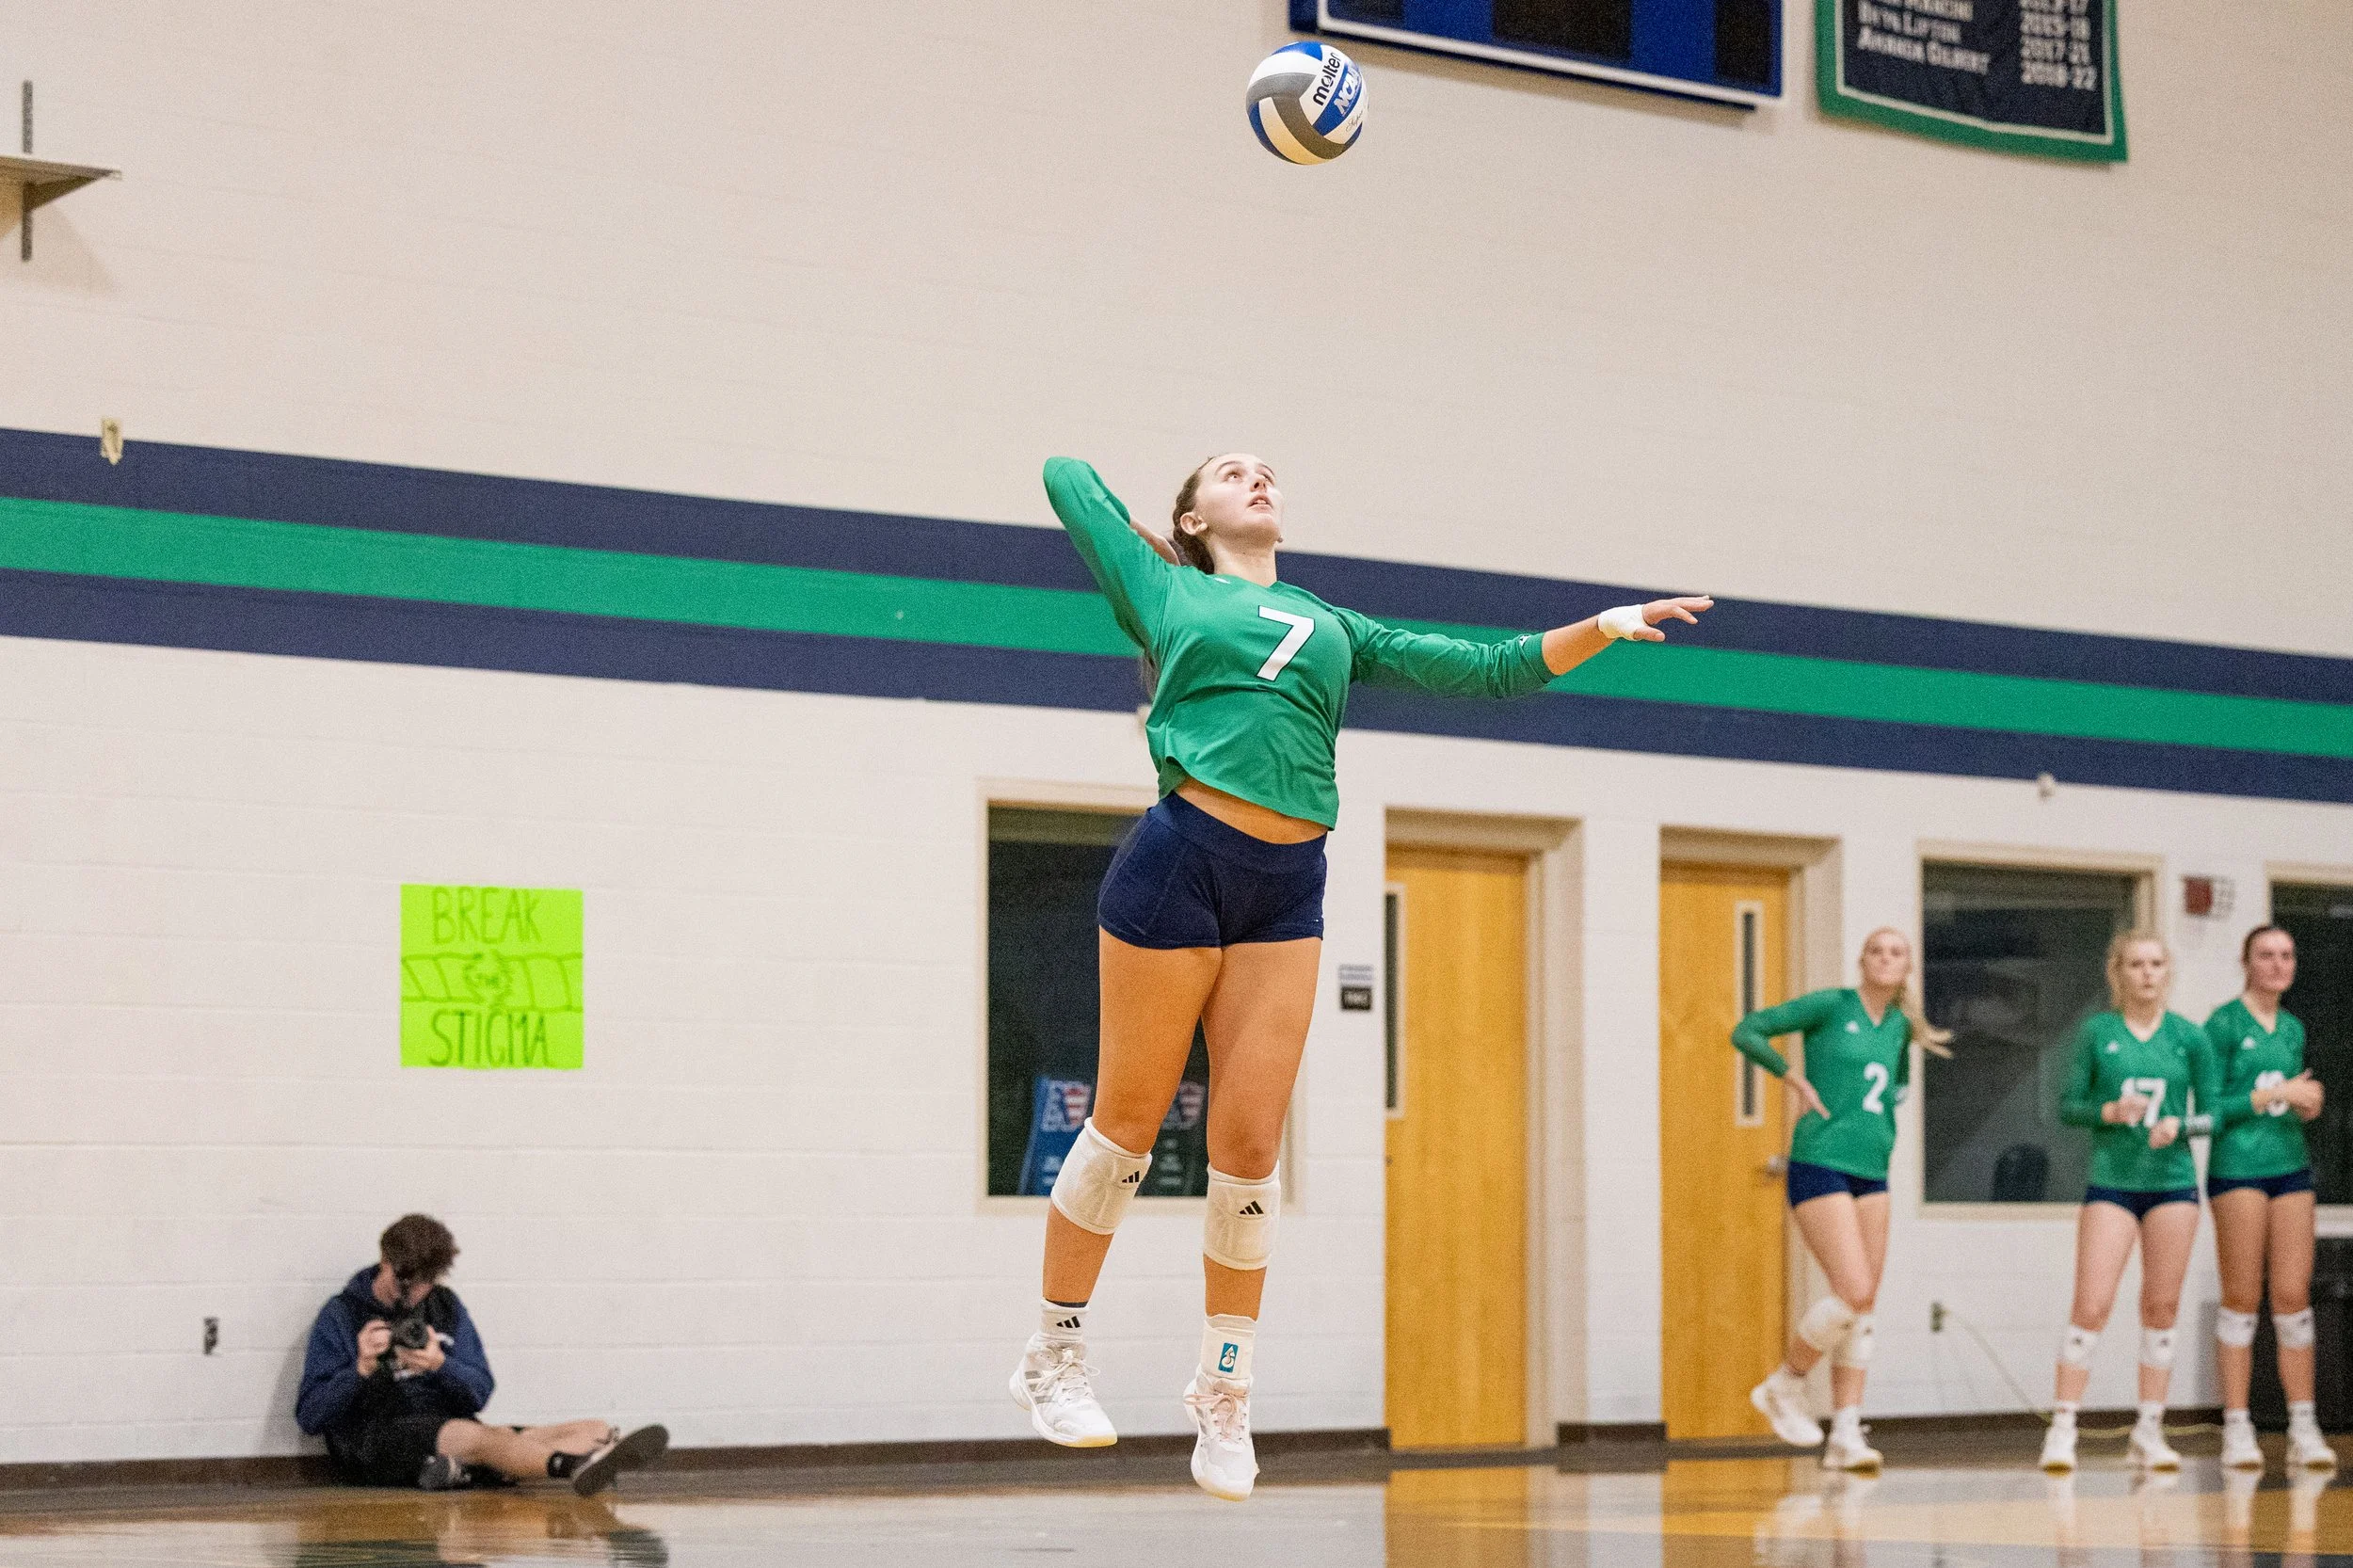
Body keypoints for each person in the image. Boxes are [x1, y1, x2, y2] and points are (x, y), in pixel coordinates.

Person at [1016, 454, 1711, 1500]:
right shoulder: (1167, 589)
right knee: (1126, 1125)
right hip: (1179, 861)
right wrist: (1154, 559)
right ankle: (1054, 1354)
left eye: (1266, 472)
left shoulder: (1330, 620)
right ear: (1194, 513)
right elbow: (1066, 476)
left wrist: (1603, 625)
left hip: (1286, 881)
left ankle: (1223, 1387)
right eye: (1229, 473)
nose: (1257, 479)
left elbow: (1487, 667)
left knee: (1250, 1150)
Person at [1740, 928, 1950, 1472]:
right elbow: (1749, 1030)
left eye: (1897, 952)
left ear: (1907, 967)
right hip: (1820, 1160)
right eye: (1877, 950)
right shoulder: (1830, 1006)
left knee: (1863, 1304)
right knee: (1852, 1290)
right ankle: (1784, 1384)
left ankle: (1847, 1435)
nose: (1886, 958)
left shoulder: (1902, 1027)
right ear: (1862, 960)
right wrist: (1793, 1080)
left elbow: (1896, 1088)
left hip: (1873, 1171)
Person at [296, 1214, 669, 1494]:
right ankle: (571, 1466)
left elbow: (481, 1390)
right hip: (378, 1439)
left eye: (424, 1284)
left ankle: (466, 1470)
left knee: (594, 1429)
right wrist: (360, 1368)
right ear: (385, 1261)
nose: (412, 1294)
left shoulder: (445, 1306)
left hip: (451, 1428)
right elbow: (310, 1416)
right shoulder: (341, 1314)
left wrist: (441, 1365)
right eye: (404, 1281)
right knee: (480, 1438)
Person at [2038, 932, 2219, 1473]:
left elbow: (2214, 1113)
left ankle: (2149, 1428)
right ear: (2118, 972)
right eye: (2136, 964)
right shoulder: (2098, 1031)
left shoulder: (2190, 1037)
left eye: (2156, 964)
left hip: (2174, 1183)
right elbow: (2067, 1106)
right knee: (2091, 1304)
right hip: (2112, 1182)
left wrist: (2181, 1124)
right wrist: (2109, 1112)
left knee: (2161, 1307)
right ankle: (2064, 1428)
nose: (2147, 973)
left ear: (2168, 972)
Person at [2208, 923, 2335, 1471]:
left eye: (2287, 954)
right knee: (2242, 1297)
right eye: (2267, 955)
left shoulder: (2292, 1027)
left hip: (2290, 1168)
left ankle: (2303, 1424)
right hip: (2238, 1168)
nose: (2279, 964)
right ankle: (2237, 1427)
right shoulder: (2223, 1024)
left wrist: (2307, 1101)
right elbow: (2211, 1107)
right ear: (2246, 962)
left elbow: (2296, 1095)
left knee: (2292, 1297)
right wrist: (2275, 1092)